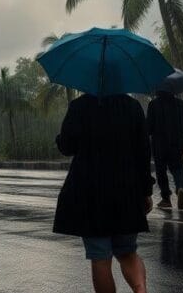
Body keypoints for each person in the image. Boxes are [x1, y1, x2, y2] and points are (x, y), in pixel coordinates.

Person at [54, 93, 155, 293]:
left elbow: (67, 146)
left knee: (100, 257)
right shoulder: (132, 106)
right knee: (128, 252)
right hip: (127, 190)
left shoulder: (80, 106)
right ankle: (141, 289)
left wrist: (62, 137)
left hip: (90, 193)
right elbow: (144, 151)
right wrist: (146, 191)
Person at [146, 90, 183, 210]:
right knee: (177, 168)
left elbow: (148, 128)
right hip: (177, 142)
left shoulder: (153, 104)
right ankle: (180, 187)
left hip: (159, 144)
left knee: (161, 171)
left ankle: (166, 199)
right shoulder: (180, 103)